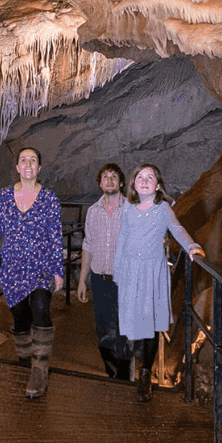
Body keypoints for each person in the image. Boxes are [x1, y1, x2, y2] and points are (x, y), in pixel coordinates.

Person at [114, 163, 204, 402]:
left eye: (150, 177)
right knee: (134, 323)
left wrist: (191, 246)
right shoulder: (128, 209)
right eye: (140, 177)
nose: (144, 180)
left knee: (151, 326)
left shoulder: (162, 208)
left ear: (157, 185)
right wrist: (118, 273)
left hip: (153, 273)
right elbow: (122, 239)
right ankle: (137, 362)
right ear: (133, 184)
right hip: (132, 271)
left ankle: (144, 375)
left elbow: (176, 228)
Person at [0, 147, 63, 399]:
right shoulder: (4, 196)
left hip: (41, 266)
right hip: (12, 267)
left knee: (40, 306)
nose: (28, 164)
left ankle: (39, 369)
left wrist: (58, 271)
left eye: (33, 160)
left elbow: (55, 236)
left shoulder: (49, 198)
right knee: (20, 316)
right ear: (17, 168)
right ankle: (24, 356)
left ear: (39, 168)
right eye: (23, 160)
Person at [77, 163, 132, 380]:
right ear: (100, 183)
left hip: (125, 280)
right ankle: (112, 373)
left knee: (125, 328)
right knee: (105, 329)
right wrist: (83, 280)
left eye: (114, 176)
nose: (109, 180)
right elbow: (88, 246)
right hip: (100, 279)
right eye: (105, 177)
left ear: (121, 182)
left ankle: (125, 377)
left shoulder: (131, 210)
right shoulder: (92, 212)